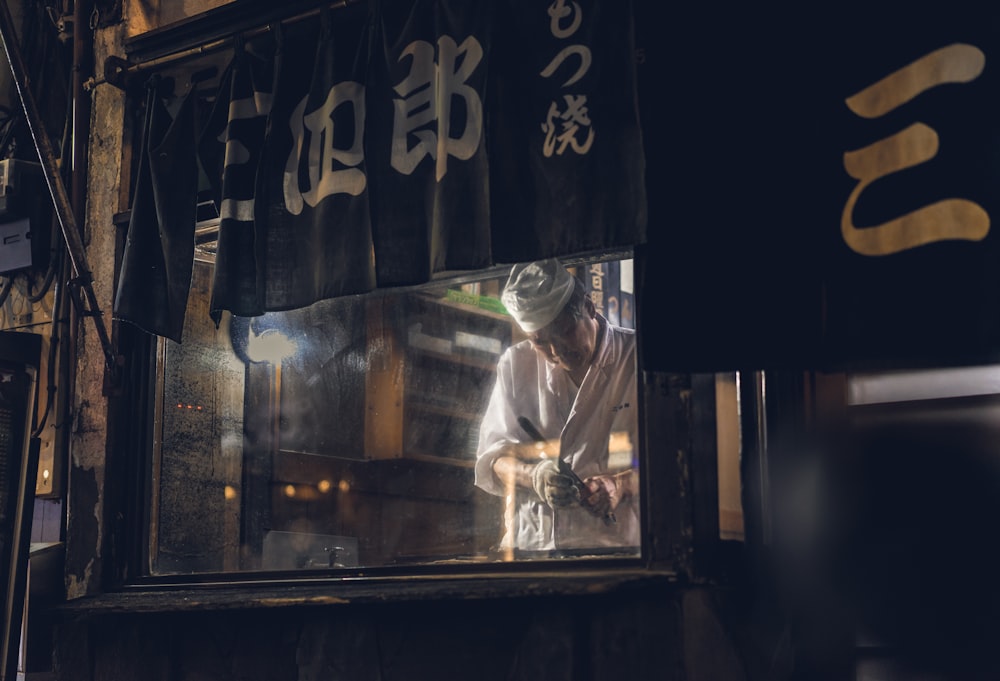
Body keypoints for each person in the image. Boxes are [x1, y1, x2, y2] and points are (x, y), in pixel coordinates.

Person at [474, 258, 640, 553]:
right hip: (531, 548)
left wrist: (620, 484)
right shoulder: (516, 364)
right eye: (540, 342)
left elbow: (666, 460)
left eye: (564, 331)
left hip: (613, 550)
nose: (555, 352)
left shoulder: (636, 358)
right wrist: (534, 476)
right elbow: (494, 458)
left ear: (589, 307)